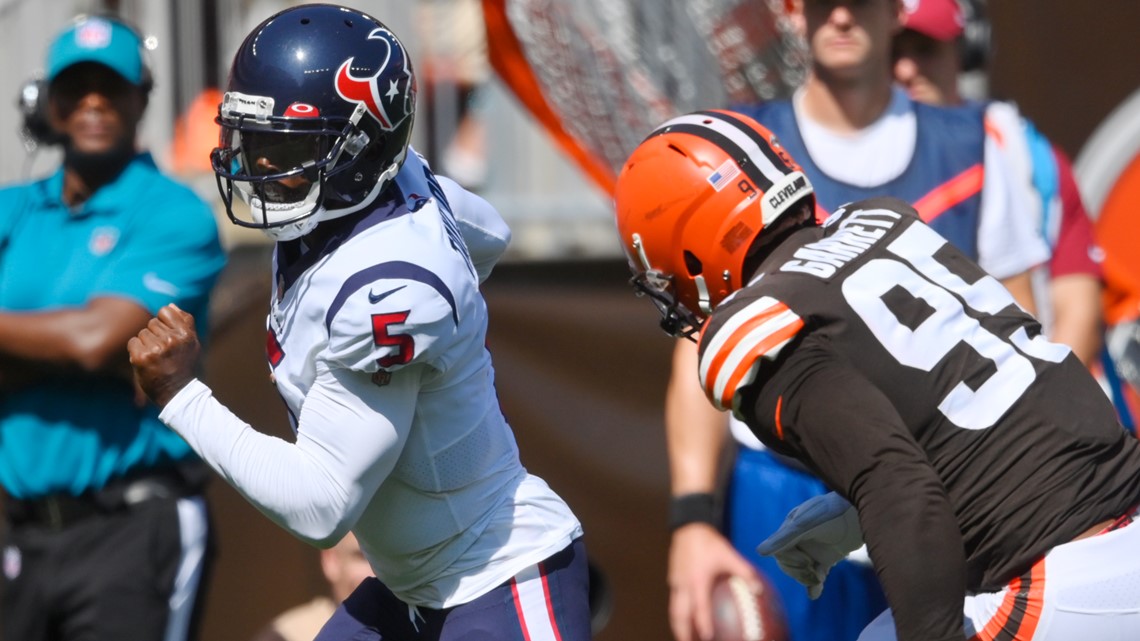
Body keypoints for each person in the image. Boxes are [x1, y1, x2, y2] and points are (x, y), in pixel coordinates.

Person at [127, 5, 590, 641]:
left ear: (358, 150)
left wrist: (181, 397)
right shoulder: (385, 186)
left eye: (284, 148)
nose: (258, 168)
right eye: (251, 141)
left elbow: (319, 505)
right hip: (412, 586)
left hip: (496, 582)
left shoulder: (389, 289)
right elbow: (490, 233)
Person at [616, 108, 1140, 641]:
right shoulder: (883, 222)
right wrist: (852, 511)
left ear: (686, 247)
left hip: (1056, 578)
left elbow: (898, 484)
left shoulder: (759, 325)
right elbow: (978, 405)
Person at [663, 2, 1050, 641]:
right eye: (821, 1)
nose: (840, 16)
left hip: (949, 483)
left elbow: (1021, 332)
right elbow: (702, 356)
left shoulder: (975, 146)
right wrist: (692, 519)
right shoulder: (734, 151)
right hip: (781, 487)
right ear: (793, 11)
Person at [0, 15, 225, 641]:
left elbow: (97, 341)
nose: (93, 103)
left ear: (141, 99)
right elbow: (81, 348)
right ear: (45, 104)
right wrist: (60, 351)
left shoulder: (175, 213)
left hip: (131, 527)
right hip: (25, 534)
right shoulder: (12, 208)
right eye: (76, 88)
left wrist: (64, 353)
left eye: (112, 87)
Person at [892, 0, 1104, 367]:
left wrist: (1042, 413)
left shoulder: (1023, 151)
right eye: (892, 52)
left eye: (925, 50)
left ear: (966, 51)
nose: (907, 69)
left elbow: (1078, 308)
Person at [250, 533, 374, 641]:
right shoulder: (288, 636)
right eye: (363, 557)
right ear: (331, 560)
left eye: (390, 560)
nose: (377, 574)